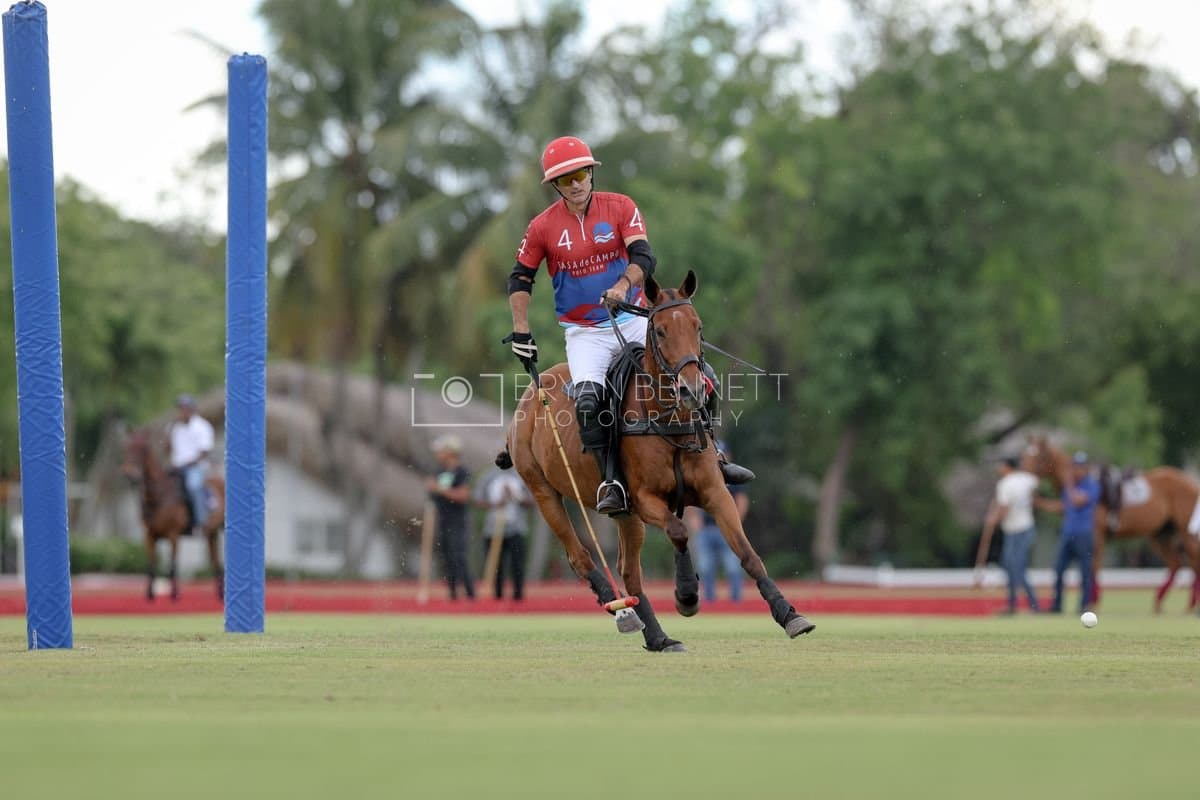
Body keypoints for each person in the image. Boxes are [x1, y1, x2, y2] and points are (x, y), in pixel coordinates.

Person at [503, 135, 752, 516]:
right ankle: (612, 482)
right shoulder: (542, 227)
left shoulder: (620, 207)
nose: (576, 183)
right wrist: (521, 328)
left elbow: (643, 255)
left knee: (703, 375)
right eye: (567, 178)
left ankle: (713, 454)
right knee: (587, 403)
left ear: (591, 173)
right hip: (585, 331)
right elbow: (521, 277)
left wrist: (623, 286)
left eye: (582, 173)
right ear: (556, 185)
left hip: (633, 319)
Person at [974, 455, 1041, 613]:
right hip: (1027, 528)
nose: (998, 469)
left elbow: (1004, 510)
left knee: (1015, 566)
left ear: (1008, 467)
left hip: (1016, 530)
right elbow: (1035, 481)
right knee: (1010, 565)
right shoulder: (1026, 479)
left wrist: (993, 519)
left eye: (1001, 466)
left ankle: (1031, 605)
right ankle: (1013, 604)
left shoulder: (1005, 484)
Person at [683, 442, 749, 602]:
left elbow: (742, 501)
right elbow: (690, 499)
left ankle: (736, 602)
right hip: (706, 530)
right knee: (705, 568)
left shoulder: (732, 478)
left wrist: (735, 524)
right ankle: (710, 602)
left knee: (733, 568)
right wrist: (693, 519)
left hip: (726, 530)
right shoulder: (701, 475)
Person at [1037, 451, 1099, 614]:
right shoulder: (1069, 487)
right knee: (1058, 570)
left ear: (1086, 469)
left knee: (1085, 572)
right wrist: (1039, 502)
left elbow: (1078, 501)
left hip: (1084, 534)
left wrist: (1068, 483)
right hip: (1067, 533)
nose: (1077, 471)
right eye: (1075, 467)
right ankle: (1057, 606)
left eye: (1080, 468)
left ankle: (1084, 606)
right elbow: (1063, 506)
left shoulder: (1091, 485)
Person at [424, 435, 474, 600]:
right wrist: (432, 490)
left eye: (441, 451)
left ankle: (469, 593)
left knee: (458, 556)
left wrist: (439, 489)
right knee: (446, 558)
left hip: (458, 521)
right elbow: (434, 495)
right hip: (442, 520)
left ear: (450, 452)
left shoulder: (462, 472)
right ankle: (452, 594)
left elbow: (463, 496)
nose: (438, 454)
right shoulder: (439, 472)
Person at [474, 466, 534, 600]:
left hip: (517, 529)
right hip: (493, 529)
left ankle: (518, 597)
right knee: (496, 566)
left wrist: (516, 497)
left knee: (517, 565)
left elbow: (532, 501)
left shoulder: (521, 476)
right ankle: (497, 596)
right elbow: (477, 500)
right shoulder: (488, 476)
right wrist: (495, 504)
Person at [167, 394, 215, 534]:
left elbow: (204, 451)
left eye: (185, 408)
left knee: (193, 486)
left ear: (192, 410)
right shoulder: (174, 427)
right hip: (176, 466)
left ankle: (201, 522)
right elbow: (167, 449)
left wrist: (188, 463)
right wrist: (169, 433)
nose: (182, 412)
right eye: (180, 409)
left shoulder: (202, 426)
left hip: (196, 467)